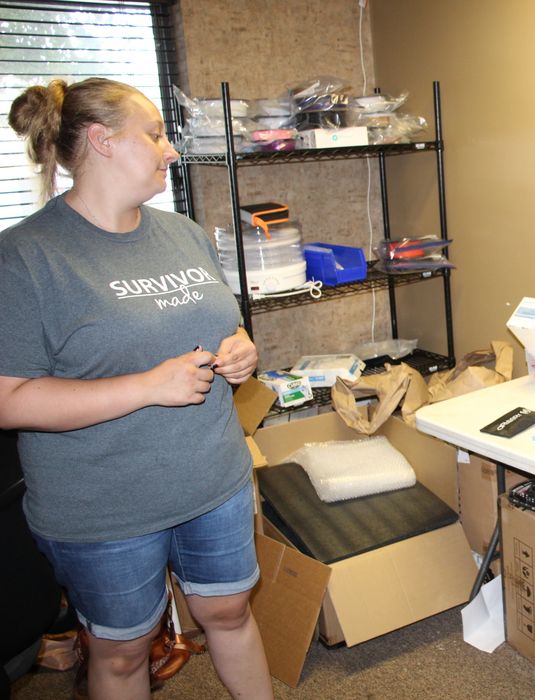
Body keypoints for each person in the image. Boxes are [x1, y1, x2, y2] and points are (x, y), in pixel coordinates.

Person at [0, 78, 273, 699]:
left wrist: (240, 348)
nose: (170, 149)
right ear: (101, 141)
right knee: (123, 652)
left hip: (214, 480)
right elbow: (9, 399)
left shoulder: (183, 233)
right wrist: (147, 387)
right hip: (105, 506)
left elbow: (223, 324)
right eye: (153, 134)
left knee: (230, 613)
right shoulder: (25, 257)